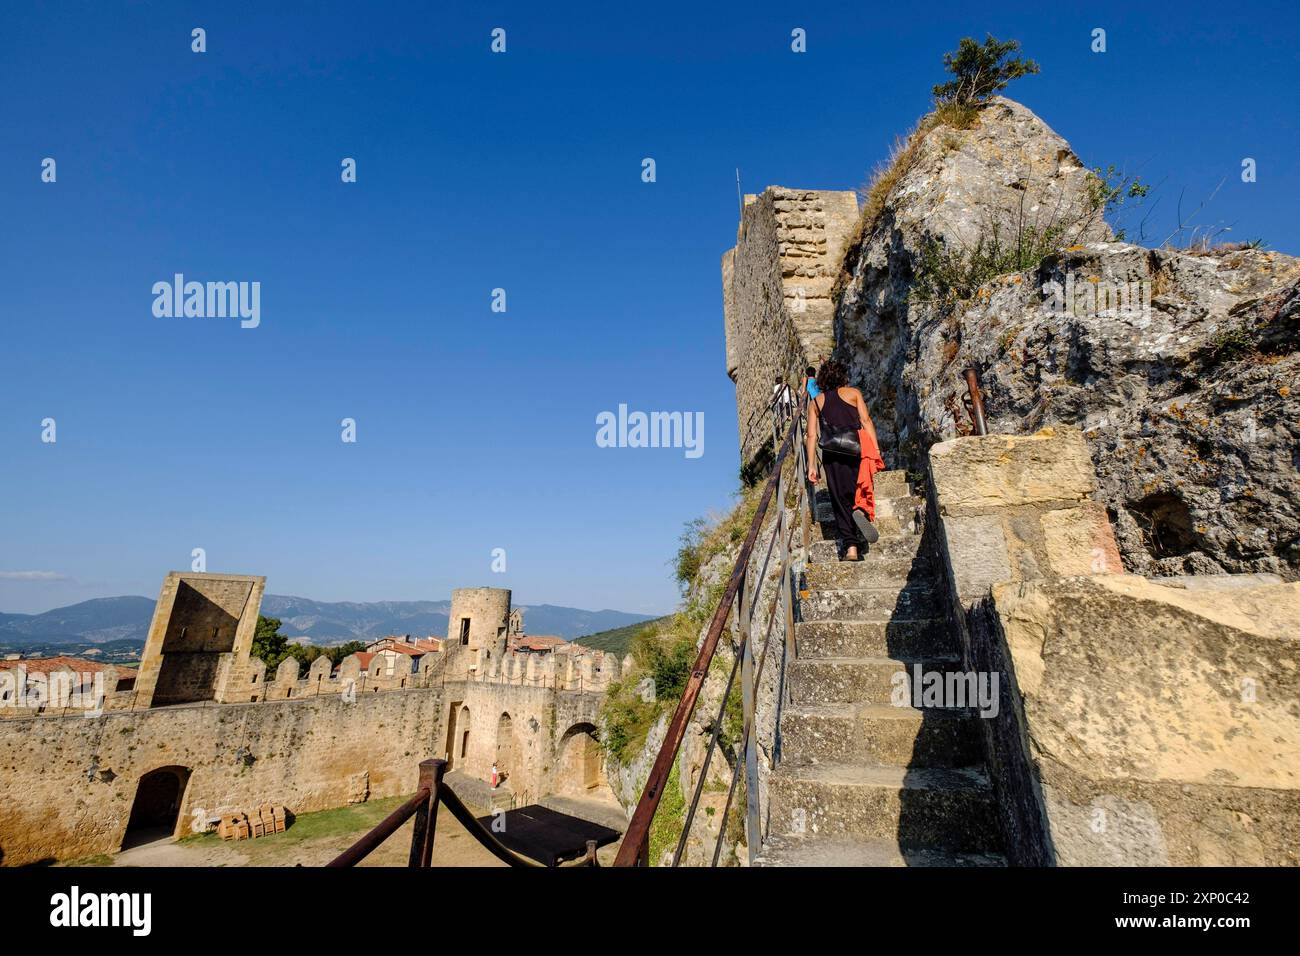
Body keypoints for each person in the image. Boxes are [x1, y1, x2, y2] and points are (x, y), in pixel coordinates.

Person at [806, 359, 880, 561]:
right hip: (856, 449)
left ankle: (851, 549)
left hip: (832, 454)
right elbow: (866, 421)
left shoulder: (816, 402)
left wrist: (811, 465)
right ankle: (860, 510)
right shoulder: (854, 393)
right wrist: (875, 449)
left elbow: (811, 435)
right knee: (859, 487)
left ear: (822, 380)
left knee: (839, 500)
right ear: (843, 376)